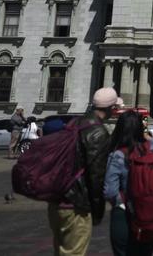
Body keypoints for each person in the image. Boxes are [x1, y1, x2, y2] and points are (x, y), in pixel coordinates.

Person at [47, 87, 117, 256]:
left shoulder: (75, 123)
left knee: (61, 250)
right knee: (74, 252)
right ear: (111, 109)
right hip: (76, 204)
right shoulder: (98, 133)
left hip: (57, 200)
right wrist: (98, 210)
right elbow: (95, 175)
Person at [104, 110, 153, 256]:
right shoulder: (150, 148)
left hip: (125, 215)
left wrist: (121, 203)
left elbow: (109, 191)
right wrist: (147, 138)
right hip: (150, 214)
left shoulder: (117, 155)